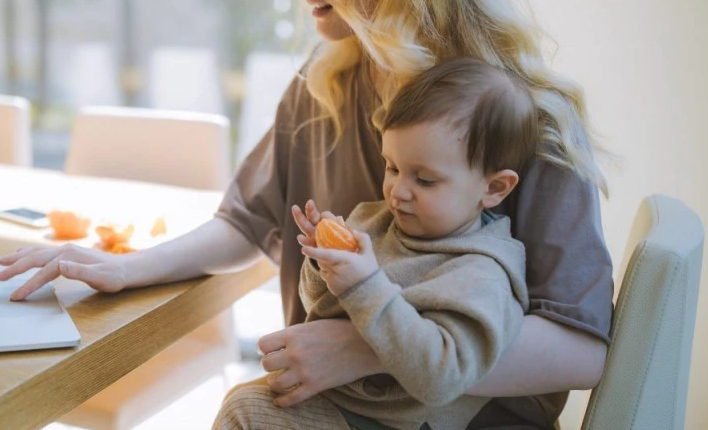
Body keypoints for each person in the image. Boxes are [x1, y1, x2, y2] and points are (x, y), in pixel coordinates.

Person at [0, 0, 614, 427]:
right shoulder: (325, 85)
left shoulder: (530, 117)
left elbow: (582, 349)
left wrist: (368, 346)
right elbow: (246, 222)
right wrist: (129, 267)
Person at [214, 57, 538, 430]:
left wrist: (365, 286)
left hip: (391, 423)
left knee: (245, 411)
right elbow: (319, 310)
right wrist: (324, 266)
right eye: (393, 168)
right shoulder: (375, 221)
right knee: (244, 400)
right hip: (340, 401)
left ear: (494, 187)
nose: (398, 191)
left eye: (425, 180)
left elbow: (441, 378)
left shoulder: (481, 273)